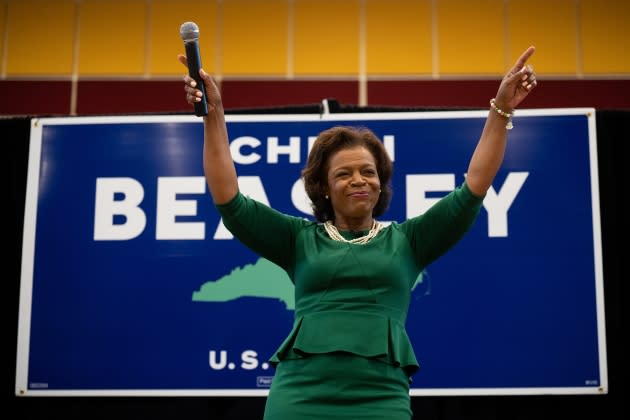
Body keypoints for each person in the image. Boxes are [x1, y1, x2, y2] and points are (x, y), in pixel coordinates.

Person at [178, 46, 538, 419]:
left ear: (381, 182)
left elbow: (475, 185)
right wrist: (214, 114)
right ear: (322, 188)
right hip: (299, 398)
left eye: (368, 171)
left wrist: (501, 110)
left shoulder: (409, 241)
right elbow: (228, 197)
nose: (358, 180)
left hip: (381, 399)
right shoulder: (298, 240)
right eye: (343, 174)